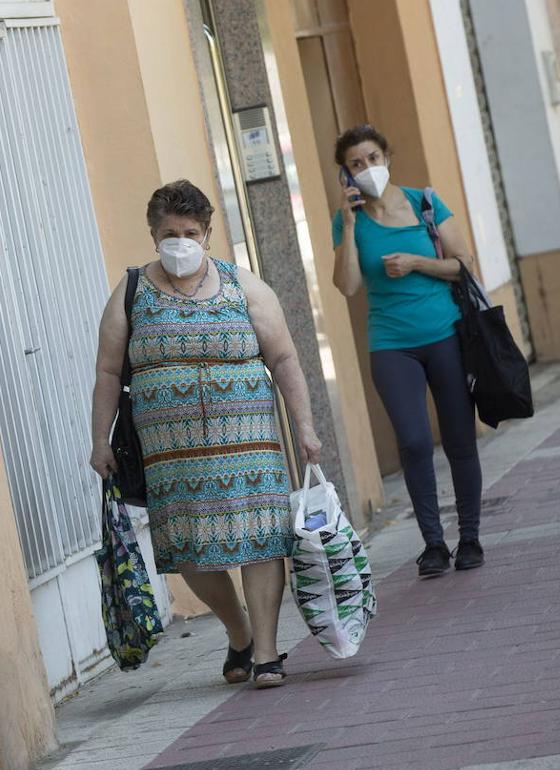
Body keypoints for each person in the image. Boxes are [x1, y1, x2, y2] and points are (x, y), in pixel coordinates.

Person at [89, 180, 321, 688]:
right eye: (169, 233)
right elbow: (108, 371)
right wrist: (99, 439)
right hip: (172, 455)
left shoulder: (244, 286)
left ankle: (264, 651)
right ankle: (238, 630)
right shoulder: (131, 291)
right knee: (191, 549)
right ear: (153, 235)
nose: (180, 242)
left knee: (262, 540)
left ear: (209, 235)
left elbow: (284, 358)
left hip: (250, 441)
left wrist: (304, 427)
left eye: (190, 232)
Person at [331, 124, 484, 578]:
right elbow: (348, 286)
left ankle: (471, 536)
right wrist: (352, 224)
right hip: (391, 343)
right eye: (356, 164)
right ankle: (434, 544)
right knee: (415, 443)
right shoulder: (347, 219)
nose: (367, 169)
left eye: (373, 158)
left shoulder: (425, 202)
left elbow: (464, 265)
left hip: (446, 334)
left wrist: (417, 262)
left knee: (459, 437)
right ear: (346, 173)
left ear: (387, 157)